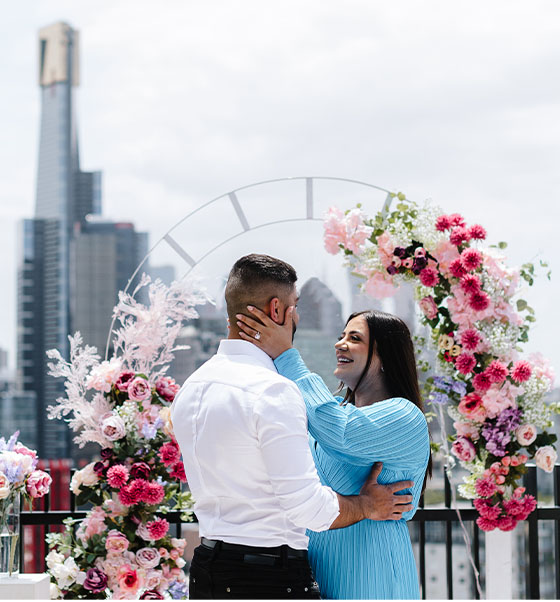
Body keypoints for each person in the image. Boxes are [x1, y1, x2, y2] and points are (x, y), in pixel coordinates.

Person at [171, 254, 416, 599]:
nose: (297, 316)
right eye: (295, 306)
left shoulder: (192, 387)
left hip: (207, 570)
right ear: (277, 311)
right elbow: (308, 508)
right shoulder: (273, 390)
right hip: (267, 576)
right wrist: (367, 505)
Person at [236, 305, 432, 599]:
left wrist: (287, 355)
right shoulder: (332, 413)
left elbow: (341, 433)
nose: (340, 343)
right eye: (341, 336)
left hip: (372, 569)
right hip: (317, 566)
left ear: (384, 357)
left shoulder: (405, 416)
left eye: (355, 338)